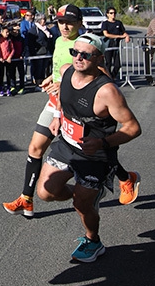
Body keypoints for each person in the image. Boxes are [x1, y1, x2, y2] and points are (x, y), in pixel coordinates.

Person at [36, 33, 141, 262]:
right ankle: (90, 194)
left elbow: (133, 128)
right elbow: (63, 97)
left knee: (81, 205)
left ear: (99, 58)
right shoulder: (66, 71)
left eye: (86, 55)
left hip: (96, 154)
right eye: (75, 52)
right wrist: (57, 117)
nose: (78, 58)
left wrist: (102, 142)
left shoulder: (107, 92)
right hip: (67, 144)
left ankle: (93, 240)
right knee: (45, 192)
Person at [2, 4, 84, 216]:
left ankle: (122, 178)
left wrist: (66, 84)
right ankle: (26, 199)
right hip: (54, 102)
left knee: (91, 152)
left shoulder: (84, 45)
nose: (65, 26)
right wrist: (51, 78)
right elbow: (59, 68)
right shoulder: (58, 40)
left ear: (79, 23)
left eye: (70, 22)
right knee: (34, 147)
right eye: (61, 22)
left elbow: (95, 77)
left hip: (75, 108)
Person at [102, 7, 129, 80]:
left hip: (116, 45)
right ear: (107, 14)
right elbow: (106, 34)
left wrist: (127, 36)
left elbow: (123, 32)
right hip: (108, 45)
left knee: (117, 64)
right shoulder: (105, 23)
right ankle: (107, 78)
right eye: (111, 13)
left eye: (114, 13)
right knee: (108, 63)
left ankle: (112, 77)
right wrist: (118, 36)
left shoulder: (118, 23)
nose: (113, 14)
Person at [0, 25, 14, 96]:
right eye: (6, 32)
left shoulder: (9, 40)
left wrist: (9, 57)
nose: (7, 33)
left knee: (8, 74)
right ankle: (1, 88)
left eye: (8, 32)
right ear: (2, 32)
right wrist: (0, 58)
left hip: (8, 60)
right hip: (1, 60)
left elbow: (12, 49)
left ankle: (8, 88)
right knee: (1, 74)